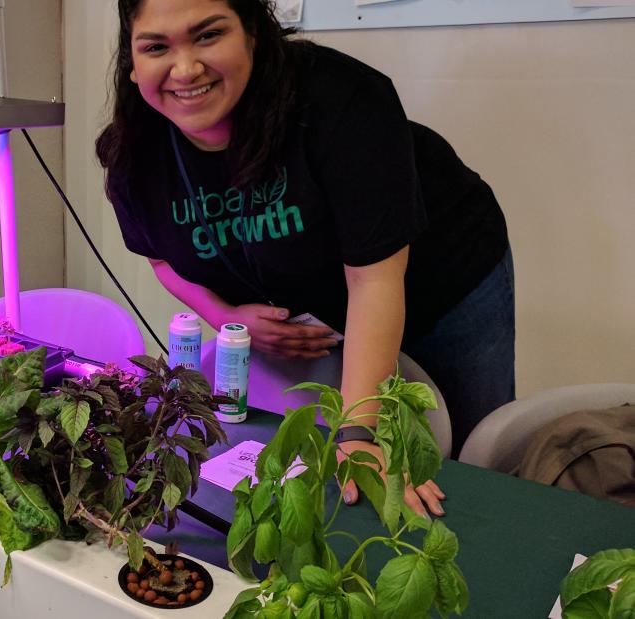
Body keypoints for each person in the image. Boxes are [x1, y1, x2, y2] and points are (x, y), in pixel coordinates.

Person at [96, 0, 515, 518]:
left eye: (208, 35)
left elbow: (374, 280)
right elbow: (162, 260)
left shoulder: (342, 100)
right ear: (134, 64)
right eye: (157, 46)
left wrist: (359, 429)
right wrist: (224, 315)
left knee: (468, 460)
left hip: (442, 275)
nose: (185, 69)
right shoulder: (133, 155)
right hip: (322, 300)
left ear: (253, 32)